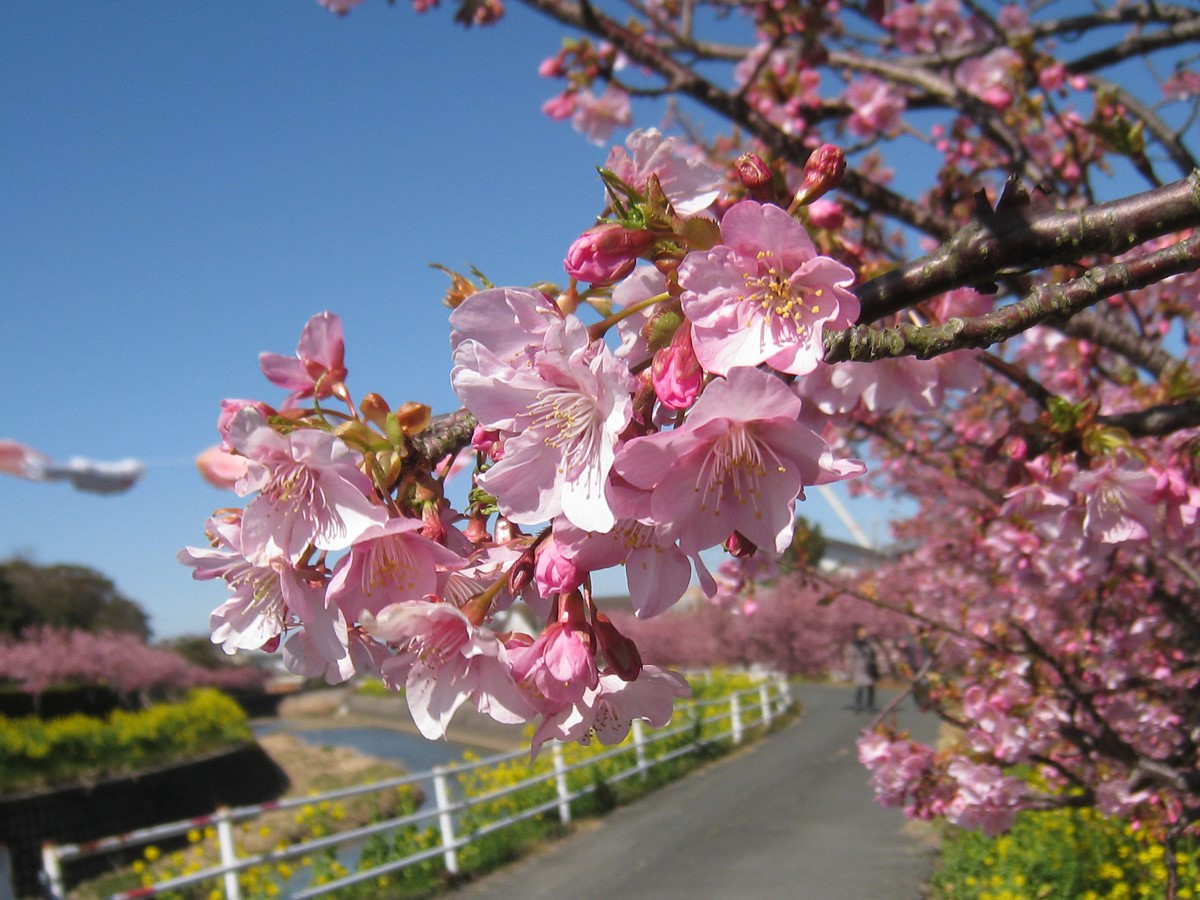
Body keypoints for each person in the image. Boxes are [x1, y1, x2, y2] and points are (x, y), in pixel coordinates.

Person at [846, 624, 881, 713]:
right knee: (860, 687)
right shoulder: (853, 644)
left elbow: (876, 652)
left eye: (865, 631)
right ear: (857, 633)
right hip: (859, 667)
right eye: (862, 631)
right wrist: (849, 669)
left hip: (869, 667)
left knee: (871, 686)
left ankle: (870, 705)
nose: (864, 633)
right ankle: (858, 705)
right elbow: (850, 656)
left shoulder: (870, 643)